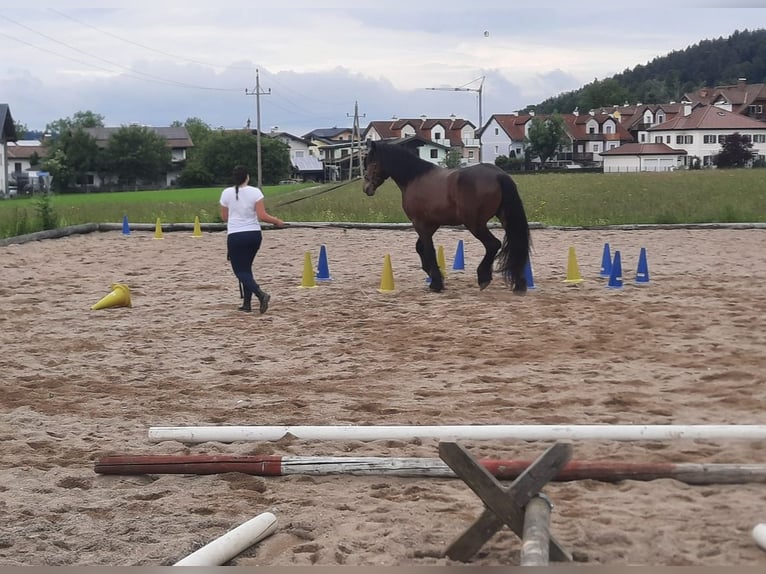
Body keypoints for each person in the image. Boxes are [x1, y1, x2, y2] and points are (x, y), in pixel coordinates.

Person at [219, 165, 285, 313]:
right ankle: (247, 304)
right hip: (254, 235)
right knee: (246, 268)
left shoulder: (226, 193)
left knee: (239, 271)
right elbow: (262, 216)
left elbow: (224, 217)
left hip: (236, 235)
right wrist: (277, 221)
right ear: (247, 177)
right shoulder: (255, 192)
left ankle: (261, 294)